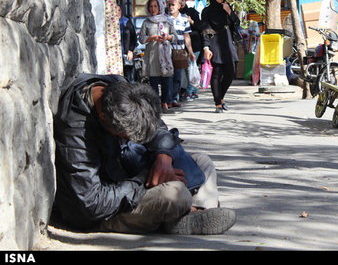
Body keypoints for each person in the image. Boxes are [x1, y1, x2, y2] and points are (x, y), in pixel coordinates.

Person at [52, 73, 236, 235]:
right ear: (105, 120)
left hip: (129, 171)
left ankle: (189, 213)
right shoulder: (75, 131)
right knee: (175, 193)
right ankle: (186, 213)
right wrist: (144, 179)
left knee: (202, 162)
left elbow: (158, 128)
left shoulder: (120, 88)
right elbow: (91, 203)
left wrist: (163, 157)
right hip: (104, 210)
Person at [201, 0, 240, 113]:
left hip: (227, 42)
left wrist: (230, 12)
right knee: (216, 74)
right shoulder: (207, 11)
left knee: (230, 73)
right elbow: (205, 30)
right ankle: (218, 102)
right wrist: (206, 47)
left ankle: (221, 97)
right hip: (214, 43)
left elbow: (236, 24)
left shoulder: (227, 7)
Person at [139, 0, 175, 113]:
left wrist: (167, 37)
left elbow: (175, 37)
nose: (153, 9)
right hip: (152, 54)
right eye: (151, 6)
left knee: (167, 80)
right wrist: (152, 38)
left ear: (160, 7)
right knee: (154, 80)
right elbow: (141, 39)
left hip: (165, 55)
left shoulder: (167, 21)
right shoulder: (146, 22)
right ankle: (156, 104)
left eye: (155, 6)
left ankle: (165, 102)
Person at [166, 0, 196, 108]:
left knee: (178, 77)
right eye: (169, 5)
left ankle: (174, 98)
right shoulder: (165, 19)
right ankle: (167, 99)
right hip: (167, 51)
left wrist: (191, 52)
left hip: (179, 51)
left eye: (173, 5)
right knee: (168, 76)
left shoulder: (184, 19)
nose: (171, 7)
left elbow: (187, 36)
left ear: (179, 6)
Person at [175, 0, 203, 100]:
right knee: (184, 70)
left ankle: (191, 92)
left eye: (182, 0)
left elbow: (200, 27)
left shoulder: (192, 12)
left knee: (192, 68)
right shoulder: (174, 14)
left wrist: (191, 21)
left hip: (194, 45)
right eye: (178, 1)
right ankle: (186, 91)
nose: (181, 3)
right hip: (180, 47)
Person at [119, 7, 138, 82]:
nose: (117, 12)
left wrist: (131, 50)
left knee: (128, 77)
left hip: (126, 55)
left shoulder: (126, 22)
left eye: (119, 10)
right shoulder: (110, 23)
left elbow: (134, 37)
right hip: (114, 56)